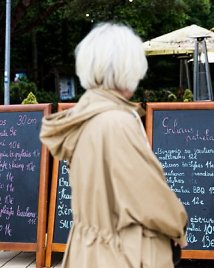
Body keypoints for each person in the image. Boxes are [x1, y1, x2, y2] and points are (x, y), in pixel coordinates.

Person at [40, 22, 188, 268]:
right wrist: (178, 223)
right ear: (127, 67)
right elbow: (147, 196)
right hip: (122, 251)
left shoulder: (84, 118)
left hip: (88, 249)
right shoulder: (116, 122)